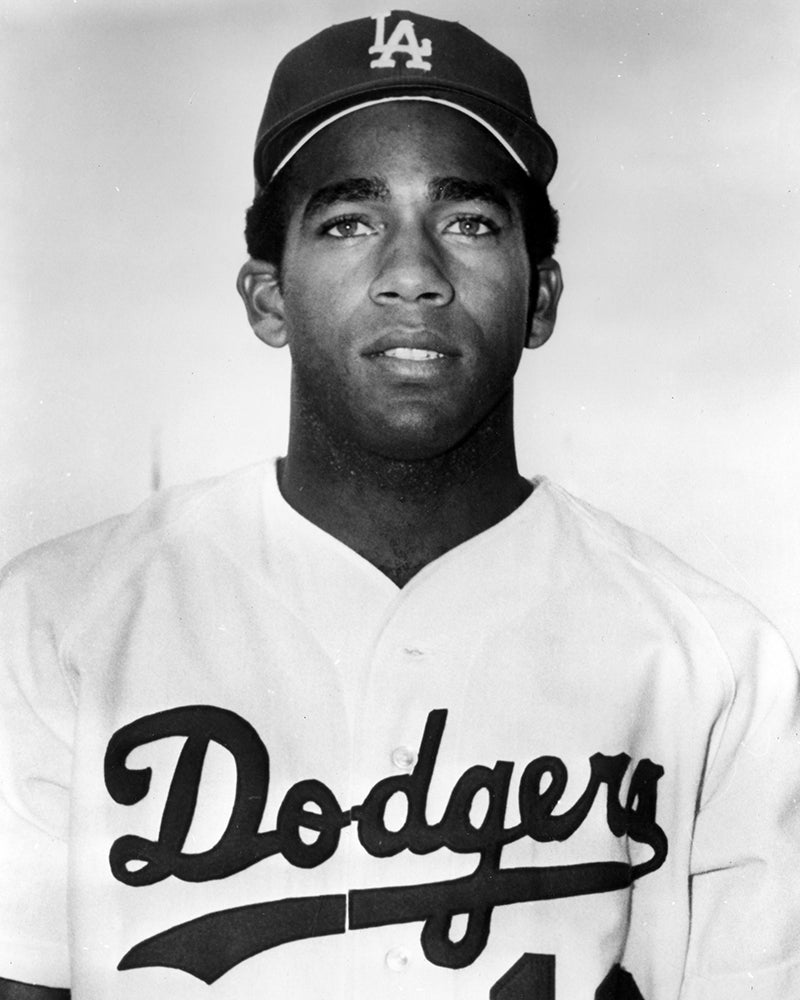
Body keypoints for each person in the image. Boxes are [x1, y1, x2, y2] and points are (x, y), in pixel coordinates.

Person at [1, 10, 799, 999]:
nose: (413, 275)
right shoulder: (57, 620)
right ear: (267, 298)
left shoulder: (714, 660)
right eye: (348, 221)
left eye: (467, 221)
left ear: (540, 295)